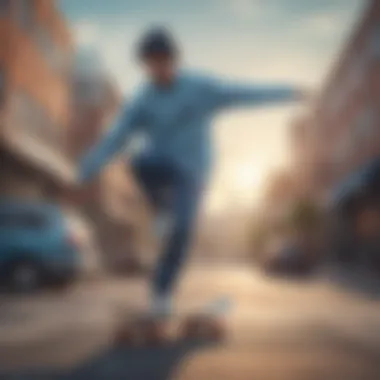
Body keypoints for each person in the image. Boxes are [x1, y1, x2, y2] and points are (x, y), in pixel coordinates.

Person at [78, 27, 308, 318]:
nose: (158, 69)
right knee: (136, 159)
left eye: (163, 61)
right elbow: (116, 136)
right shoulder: (142, 100)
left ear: (173, 60)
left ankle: (162, 293)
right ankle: (161, 210)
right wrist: (89, 165)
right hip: (160, 165)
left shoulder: (200, 88)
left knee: (182, 233)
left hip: (192, 173)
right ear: (145, 65)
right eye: (151, 63)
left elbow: (242, 93)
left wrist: (289, 92)